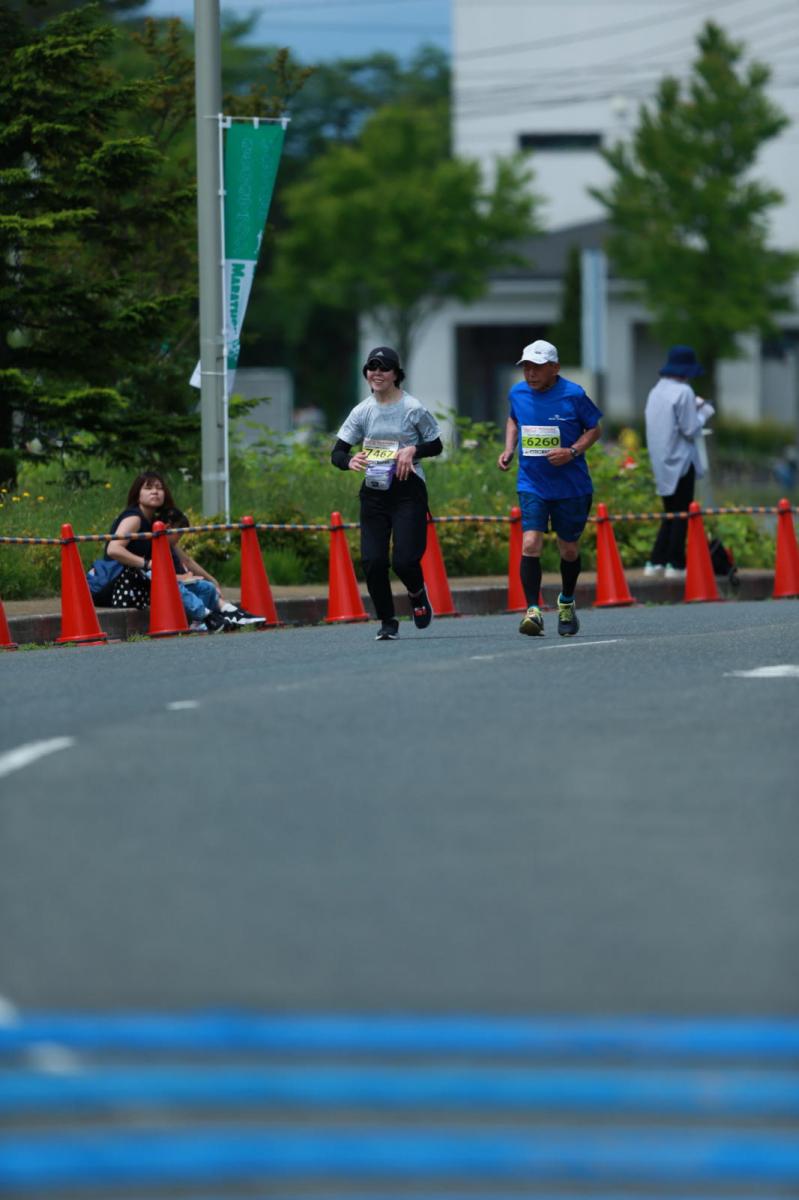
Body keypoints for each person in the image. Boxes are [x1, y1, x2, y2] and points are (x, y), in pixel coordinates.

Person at [331, 345, 443, 640]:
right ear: (366, 373)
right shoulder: (362, 411)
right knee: (373, 561)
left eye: (384, 368)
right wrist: (349, 461)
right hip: (375, 491)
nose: (377, 373)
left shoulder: (412, 408)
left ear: (396, 374)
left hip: (408, 491)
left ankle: (417, 594)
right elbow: (337, 452)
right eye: (372, 367)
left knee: (404, 560)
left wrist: (413, 450)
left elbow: (436, 444)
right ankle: (387, 621)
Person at [497, 339, 602, 637]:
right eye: (526, 367)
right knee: (530, 543)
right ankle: (533, 610)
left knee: (568, 549)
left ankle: (566, 601)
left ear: (554, 368)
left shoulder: (574, 394)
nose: (530, 374)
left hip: (571, 486)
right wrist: (509, 448)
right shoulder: (518, 393)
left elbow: (595, 429)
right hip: (532, 482)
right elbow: (513, 419)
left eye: (538, 368)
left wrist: (572, 451)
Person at [644, 345, 715, 579]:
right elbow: (691, 428)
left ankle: (656, 561)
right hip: (682, 461)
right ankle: (675, 564)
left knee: (670, 513)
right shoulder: (684, 391)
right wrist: (705, 411)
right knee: (682, 513)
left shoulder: (656, 391)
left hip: (661, 461)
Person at [161, 507, 266, 632]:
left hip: (182, 581)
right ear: (168, 528)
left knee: (208, 587)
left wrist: (212, 579)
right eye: (179, 533)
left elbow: (188, 561)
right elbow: (156, 573)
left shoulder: (172, 545)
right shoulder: (158, 544)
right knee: (196, 587)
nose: (180, 538)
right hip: (172, 583)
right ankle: (211, 617)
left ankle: (229, 613)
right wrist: (182, 577)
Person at [103, 470, 173, 609]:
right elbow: (113, 549)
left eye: (159, 488)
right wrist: (147, 564)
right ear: (137, 495)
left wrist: (211, 579)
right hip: (121, 585)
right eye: (148, 488)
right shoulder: (134, 518)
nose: (155, 492)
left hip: (141, 581)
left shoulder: (156, 521)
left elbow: (183, 557)